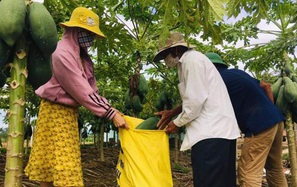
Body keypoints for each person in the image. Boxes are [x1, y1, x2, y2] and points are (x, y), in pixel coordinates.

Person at [24, 7, 128, 187]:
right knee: (64, 169)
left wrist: (110, 108)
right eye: (87, 33)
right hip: (55, 113)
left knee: (54, 168)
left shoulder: (81, 57)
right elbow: (81, 90)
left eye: (92, 35)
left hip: (68, 115)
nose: (90, 38)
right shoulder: (62, 53)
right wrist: (109, 113)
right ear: (74, 30)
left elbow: (91, 90)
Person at [153, 32, 241, 187]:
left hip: (210, 134)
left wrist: (176, 123)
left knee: (208, 182)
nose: (165, 60)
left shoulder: (191, 61)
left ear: (175, 50)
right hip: (220, 132)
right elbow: (196, 96)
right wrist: (172, 113)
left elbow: (195, 101)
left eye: (165, 55)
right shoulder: (191, 61)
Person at [205, 52, 288, 187]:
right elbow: (266, 86)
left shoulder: (216, 80)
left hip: (259, 125)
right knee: (274, 168)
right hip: (276, 120)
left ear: (208, 67)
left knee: (248, 172)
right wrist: (269, 111)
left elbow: (198, 101)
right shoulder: (237, 73)